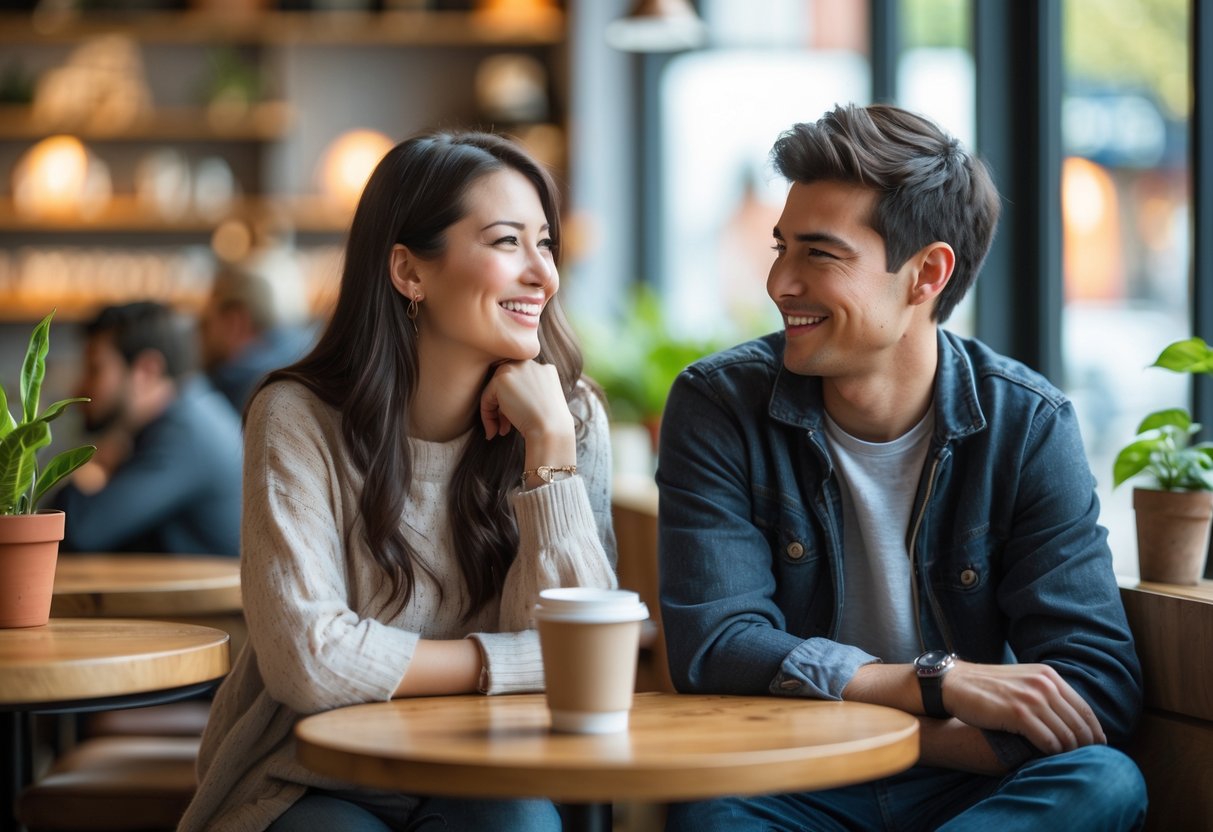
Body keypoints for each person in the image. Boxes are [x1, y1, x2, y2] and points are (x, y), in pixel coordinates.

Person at [656, 103, 1147, 831]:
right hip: (797, 774)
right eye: (780, 247)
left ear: (926, 273)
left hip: (964, 782)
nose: (779, 283)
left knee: (1103, 782)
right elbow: (717, 649)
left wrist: (911, 736)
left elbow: (1094, 688)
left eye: (818, 254)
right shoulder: (718, 405)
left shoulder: (1026, 424)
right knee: (709, 807)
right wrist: (936, 684)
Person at [178, 130, 617, 832]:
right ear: (410, 273)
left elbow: (580, 659)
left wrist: (550, 452)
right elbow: (309, 663)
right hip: (313, 774)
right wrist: (509, 660)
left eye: (546, 244)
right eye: (507, 242)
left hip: (494, 771)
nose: (544, 275)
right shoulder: (297, 416)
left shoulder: (569, 421)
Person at [52, 301, 242, 557]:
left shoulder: (185, 432)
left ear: (146, 371)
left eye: (94, 369)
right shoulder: (191, 409)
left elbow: (79, 532)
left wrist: (93, 467)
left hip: (210, 598)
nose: (78, 389)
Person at [199, 245, 316, 413]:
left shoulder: (246, 388)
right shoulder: (304, 354)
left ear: (235, 322)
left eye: (207, 322)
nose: (203, 333)